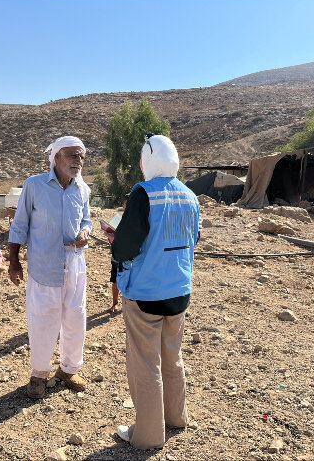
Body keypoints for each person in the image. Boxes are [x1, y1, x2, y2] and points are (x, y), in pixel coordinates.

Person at [111, 134, 201, 449]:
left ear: (149, 159)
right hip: (179, 291)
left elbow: (125, 247)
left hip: (146, 293)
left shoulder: (143, 194)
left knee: (146, 364)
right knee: (172, 357)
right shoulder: (191, 196)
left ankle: (148, 436)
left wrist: (114, 242)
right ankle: (176, 417)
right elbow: (194, 239)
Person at [8, 136, 92, 399]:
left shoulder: (83, 189)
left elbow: (86, 218)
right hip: (44, 266)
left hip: (75, 264)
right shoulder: (35, 185)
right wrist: (13, 260)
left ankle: (68, 369)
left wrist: (85, 231)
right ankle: (39, 374)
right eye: (72, 155)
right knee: (43, 321)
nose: (78, 161)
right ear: (56, 157)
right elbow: (20, 224)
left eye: (81, 156)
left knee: (75, 318)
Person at [108, 195, 129, 314]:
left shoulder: (136, 221)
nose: (124, 205)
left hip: (130, 256)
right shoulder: (118, 219)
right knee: (115, 279)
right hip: (117, 255)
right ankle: (115, 303)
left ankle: (128, 304)